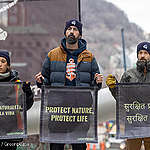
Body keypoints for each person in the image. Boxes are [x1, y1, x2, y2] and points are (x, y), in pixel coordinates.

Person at [35, 19, 103, 150]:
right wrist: (40, 81)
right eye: (69, 29)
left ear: (80, 35)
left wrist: (97, 82)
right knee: (56, 146)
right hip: (58, 110)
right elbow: (45, 82)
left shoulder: (89, 57)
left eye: (75, 29)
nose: (71, 32)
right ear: (65, 32)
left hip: (80, 111)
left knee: (79, 147)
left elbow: (94, 85)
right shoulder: (52, 55)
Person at [106, 41, 150, 150]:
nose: (142, 55)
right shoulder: (128, 75)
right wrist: (114, 88)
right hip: (133, 124)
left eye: (146, 52)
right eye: (140, 53)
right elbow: (121, 99)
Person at [0, 50, 34, 149]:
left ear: (8, 65)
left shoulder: (16, 83)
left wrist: (28, 93)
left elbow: (24, 107)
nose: (0, 64)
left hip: (11, 130)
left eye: (3, 61)